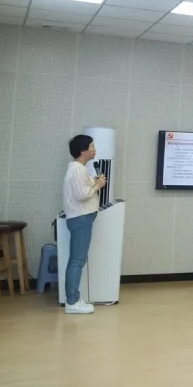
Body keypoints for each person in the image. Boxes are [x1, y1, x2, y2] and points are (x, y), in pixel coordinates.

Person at [61, 134, 106, 314]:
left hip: (81, 218)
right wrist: (98, 185)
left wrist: (94, 181)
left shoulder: (79, 169)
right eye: (92, 146)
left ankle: (74, 299)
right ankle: (72, 301)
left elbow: (82, 189)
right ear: (83, 150)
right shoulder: (77, 169)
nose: (95, 149)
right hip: (81, 218)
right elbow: (82, 194)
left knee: (77, 260)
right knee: (77, 260)